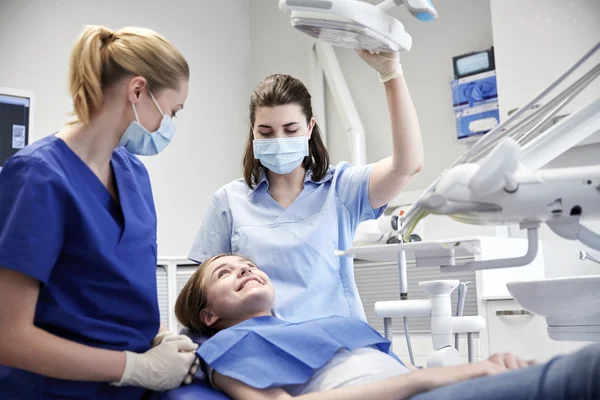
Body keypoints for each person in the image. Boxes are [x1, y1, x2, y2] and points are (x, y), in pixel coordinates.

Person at [0, 25, 198, 399]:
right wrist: (136, 367)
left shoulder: (133, 173)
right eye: (172, 111)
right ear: (137, 90)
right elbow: (9, 337)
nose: (168, 125)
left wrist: (154, 338)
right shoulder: (38, 177)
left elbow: (111, 292)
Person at [189, 51, 424, 323]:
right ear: (252, 132)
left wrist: (391, 74)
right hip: (263, 345)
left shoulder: (340, 188)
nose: (278, 140)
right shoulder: (229, 202)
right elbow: (203, 296)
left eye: (291, 130)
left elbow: (407, 165)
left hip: (338, 345)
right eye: (265, 133)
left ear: (310, 128)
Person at [175, 253, 600, 400]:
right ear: (208, 315)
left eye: (248, 264)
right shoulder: (226, 346)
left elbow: (398, 374)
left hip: (427, 389)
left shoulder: (321, 323)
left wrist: (480, 368)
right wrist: (447, 375)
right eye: (225, 273)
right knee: (579, 376)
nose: (245, 269)